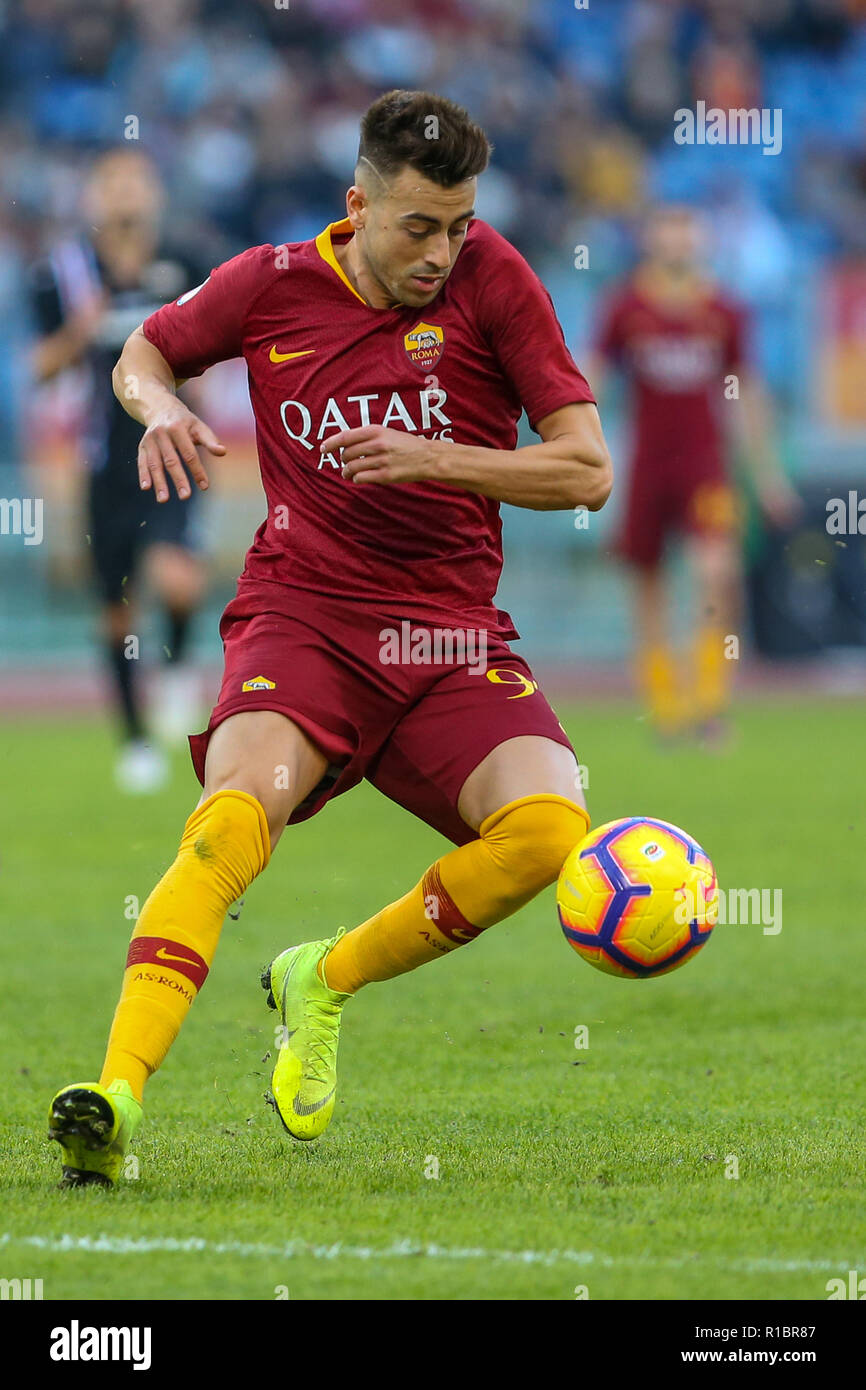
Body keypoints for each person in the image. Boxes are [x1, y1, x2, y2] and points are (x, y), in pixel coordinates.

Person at [48, 90, 612, 1186]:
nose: (441, 252)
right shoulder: (268, 285)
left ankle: (325, 976)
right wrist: (157, 407)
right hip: (302, 615)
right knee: (227, 822)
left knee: (548, 833)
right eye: (417, 228)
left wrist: (437, 457)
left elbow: (586, 466)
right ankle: (113, 1101)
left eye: (457, 225)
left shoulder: (496, 278)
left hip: (449, 636)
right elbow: (141, 351)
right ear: (356, 206)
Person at [30, 149, 210, 792]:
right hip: (103, 461)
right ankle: (135, 742)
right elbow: (40, 369)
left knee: (179, 578)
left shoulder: (185, 264)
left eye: (137, 181)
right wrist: (87, 325)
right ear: (94, 199)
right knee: (116, 610)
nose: (126, 196)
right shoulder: (63, 273)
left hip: (171, 447)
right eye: (113, 184)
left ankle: (180, 668)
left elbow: (216, 349)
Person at [590, 204, 799, 744]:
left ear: (701, 241)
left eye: (688, 231)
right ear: (652, 239)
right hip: (648, 465)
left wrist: (768, 473)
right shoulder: (625, 306)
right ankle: (665, 708)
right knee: (648, 587)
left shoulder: (725, 311)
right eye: (669, 230)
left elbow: (747, 391)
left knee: (716, 576)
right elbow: (593, 379)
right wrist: (583, 448)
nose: (679, 241)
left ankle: (708, 704)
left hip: (707, 464)